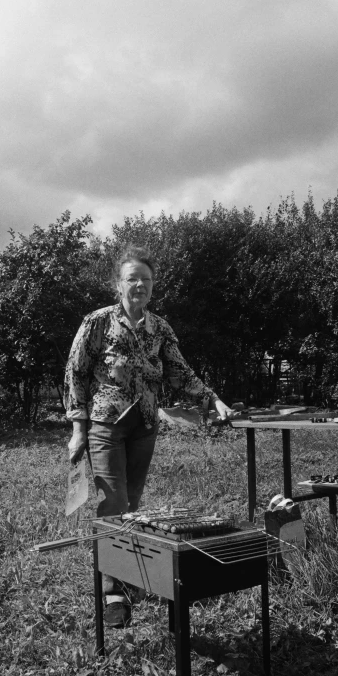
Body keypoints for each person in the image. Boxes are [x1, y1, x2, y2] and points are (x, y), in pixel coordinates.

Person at [63, 246, 234, 627]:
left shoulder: (160, 328)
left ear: (153, 286)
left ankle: (127, 578)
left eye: (147, 279)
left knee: (133, 504)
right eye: (132, 278)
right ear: (117, 284)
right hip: (105, 426)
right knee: (114, 504)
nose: (139, 285)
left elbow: (180, 372)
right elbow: (76, 372)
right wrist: (78, 427)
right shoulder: (98, 322)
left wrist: (213, 400)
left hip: (144, 426)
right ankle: (111, 593)